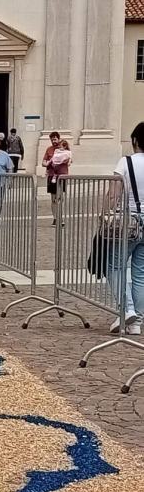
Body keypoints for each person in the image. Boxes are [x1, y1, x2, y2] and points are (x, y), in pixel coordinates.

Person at [107, 122, 144, 336]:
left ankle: (127, 308)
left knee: (115, 265)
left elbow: (114, 194)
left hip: (130, 221)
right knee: (140, 272)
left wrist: (105, 214)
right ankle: (135, 322)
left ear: (135, 141)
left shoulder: (126, 162)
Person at [42, 131, 71, 223]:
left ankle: (60, 217)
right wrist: (48, 163)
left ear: (58, 139)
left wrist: (65, 161)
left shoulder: (64, 148)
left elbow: (70, 160)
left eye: (55, 139)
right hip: (52, 175)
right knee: (53, 198)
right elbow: (43, 162)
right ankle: (55, 218)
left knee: (61, 198)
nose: (53, 141)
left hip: (62, 175)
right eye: (51, 139)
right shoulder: (49, 149)